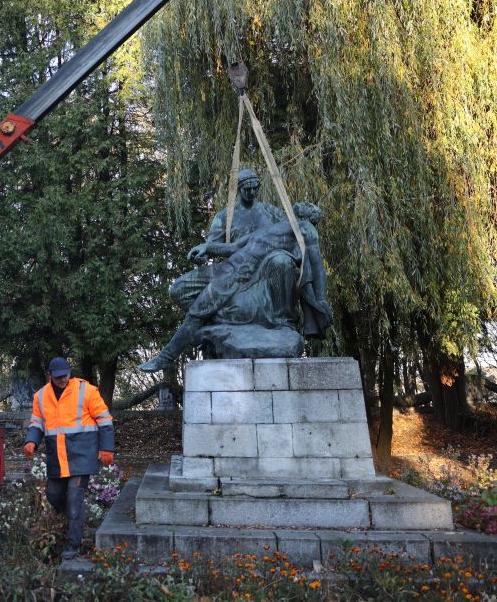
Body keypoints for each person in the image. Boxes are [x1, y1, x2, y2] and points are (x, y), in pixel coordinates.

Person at [139, 202, 331, 372]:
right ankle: (175, 351)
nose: (302, 202)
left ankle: (166, 357)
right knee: (195, 305)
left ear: (309, 216)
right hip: (230, 268)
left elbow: (316, 266)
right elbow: (234, 247)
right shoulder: (278, 226)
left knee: (198, 311)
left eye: (309, 205)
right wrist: (207, 247)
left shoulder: (306, 228)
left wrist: (321, 299)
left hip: (241, 273)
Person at [23, 357, 114, 560]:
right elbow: (37, 423)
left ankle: (73, 545)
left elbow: (105, 420)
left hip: (81, 455)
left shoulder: (87, 390)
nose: (63, 379)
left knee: (74, 497)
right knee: (53, 494)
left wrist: (106, 448)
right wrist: (31, 440)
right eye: (58, 377)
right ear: (50, 376)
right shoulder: (40, 396)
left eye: (66, 375)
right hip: (57, 456)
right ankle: (76, 518)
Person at [168, 169, 286, 311]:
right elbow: (212, 246)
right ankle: (218, 318)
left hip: (265, 265)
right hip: (232, 267)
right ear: (238, 189)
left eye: (255, 188)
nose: (253, 192)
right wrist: (202, 256)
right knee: (178, 289)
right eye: (248, 189)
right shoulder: (224, 217)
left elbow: (291, 230)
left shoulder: (270, 211)